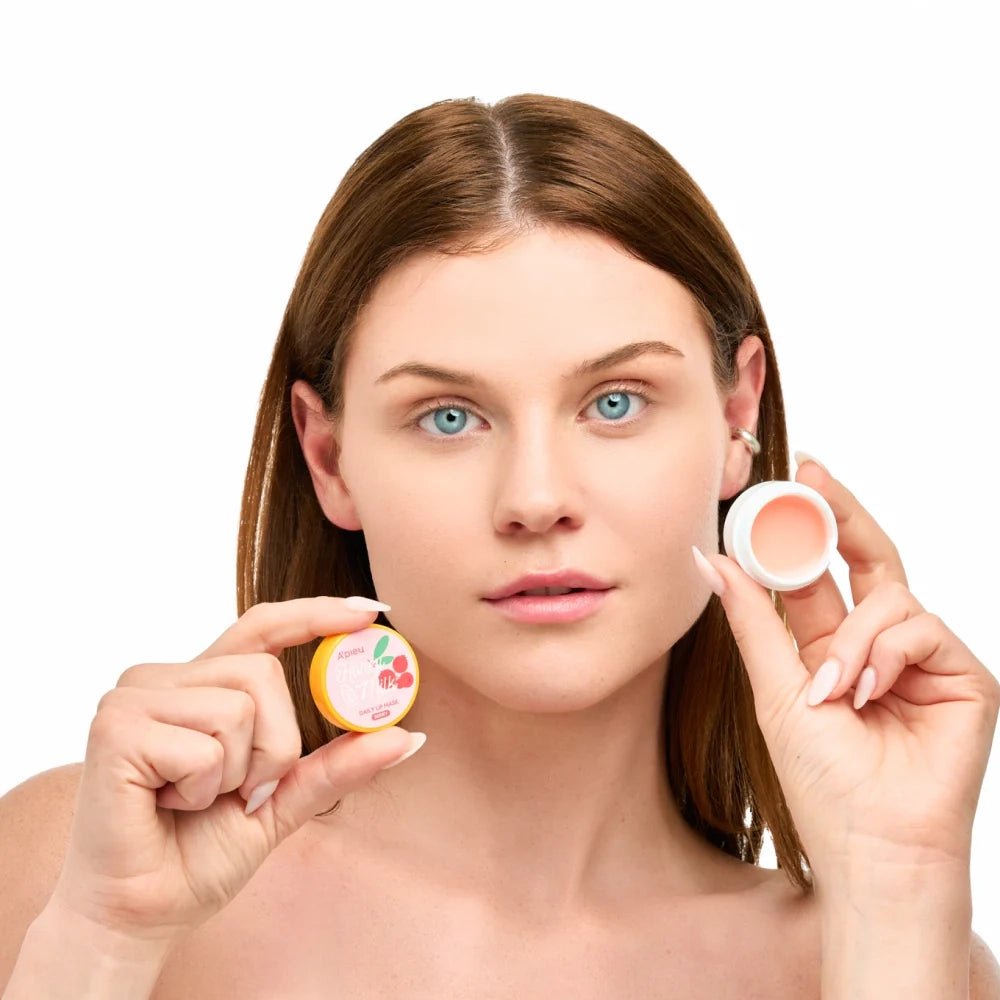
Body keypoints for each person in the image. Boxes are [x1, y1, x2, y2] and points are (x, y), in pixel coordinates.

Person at [2, 93, 998, 999]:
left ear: (736, 416)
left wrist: (897, 895)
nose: (535, 499)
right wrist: (100, 946)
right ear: (330, 458)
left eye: (615, 403)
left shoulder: (897, 954)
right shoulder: (80, 873)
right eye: (448, 417)